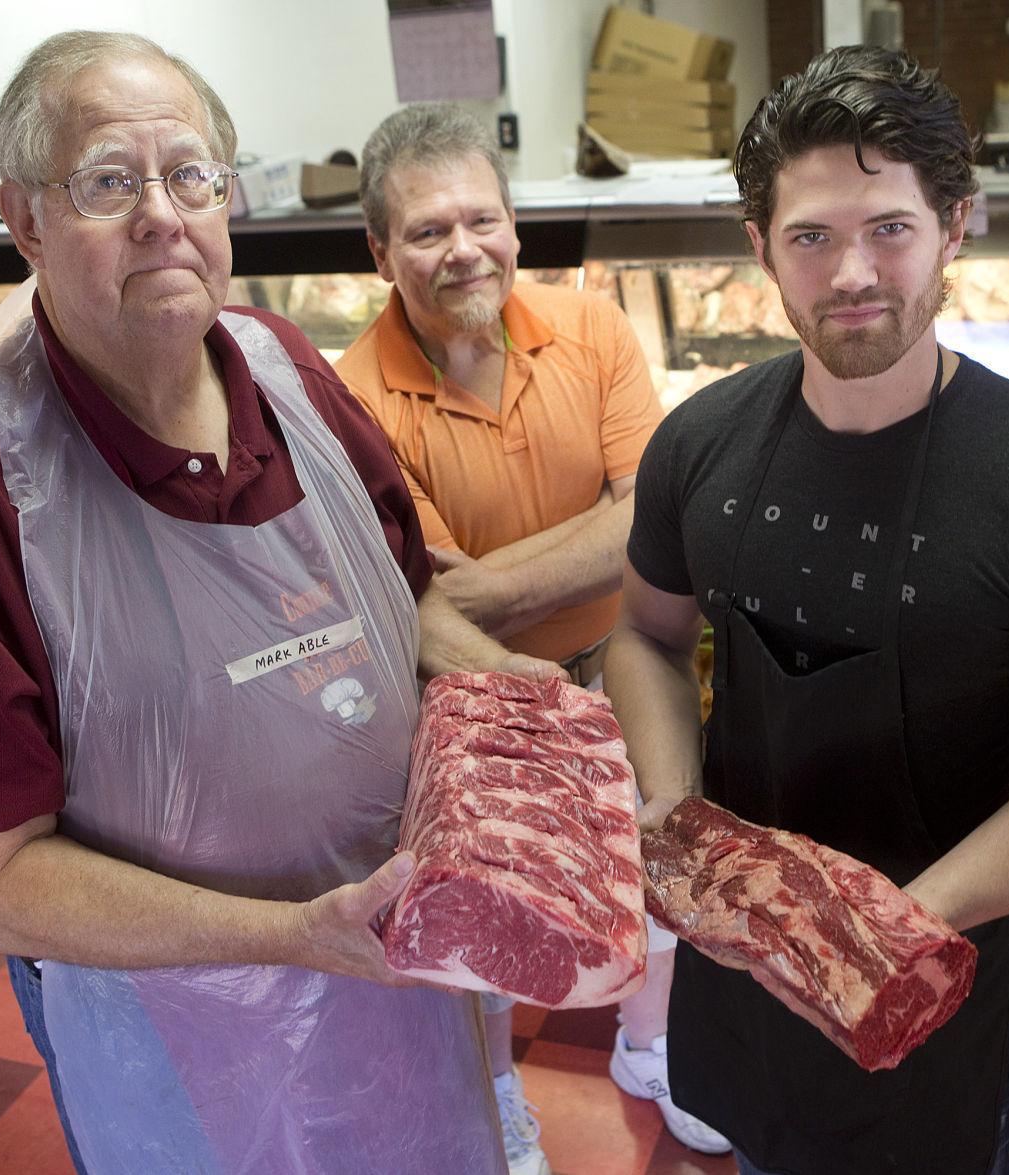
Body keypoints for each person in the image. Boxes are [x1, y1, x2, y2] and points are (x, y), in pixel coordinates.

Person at [0, 31, 556, 1174]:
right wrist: (292, 934)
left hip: (399, 963)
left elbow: (403, 600)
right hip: (186, 1028)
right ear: (24, 220)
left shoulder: (286, 370)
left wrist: (519, 693)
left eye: (189, 175)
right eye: (107, 181)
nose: (161, 216)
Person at [604, 46, 1009, 1175]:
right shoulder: (699, 443)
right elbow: (647, 637)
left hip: (937, 977)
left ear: (955, 226)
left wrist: (885, 933)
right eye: (810, 235)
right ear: (759, 246)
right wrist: (673, 810)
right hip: (740, 963)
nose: (852, 272)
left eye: (890, 228)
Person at [335, 104, 731, 1173]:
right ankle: (495, 1093)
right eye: (426, 231)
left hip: (623, 657)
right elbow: (429, 612)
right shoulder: (351, 397)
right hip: (473, 694)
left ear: (514, 224)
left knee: (655, 867)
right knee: (488, 901)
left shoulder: (592, 327)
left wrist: (483, 583)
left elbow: (652, 518)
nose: (463, 249)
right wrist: (599, 534)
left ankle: (651, 1046)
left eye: (482, 220)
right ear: (378, 251)